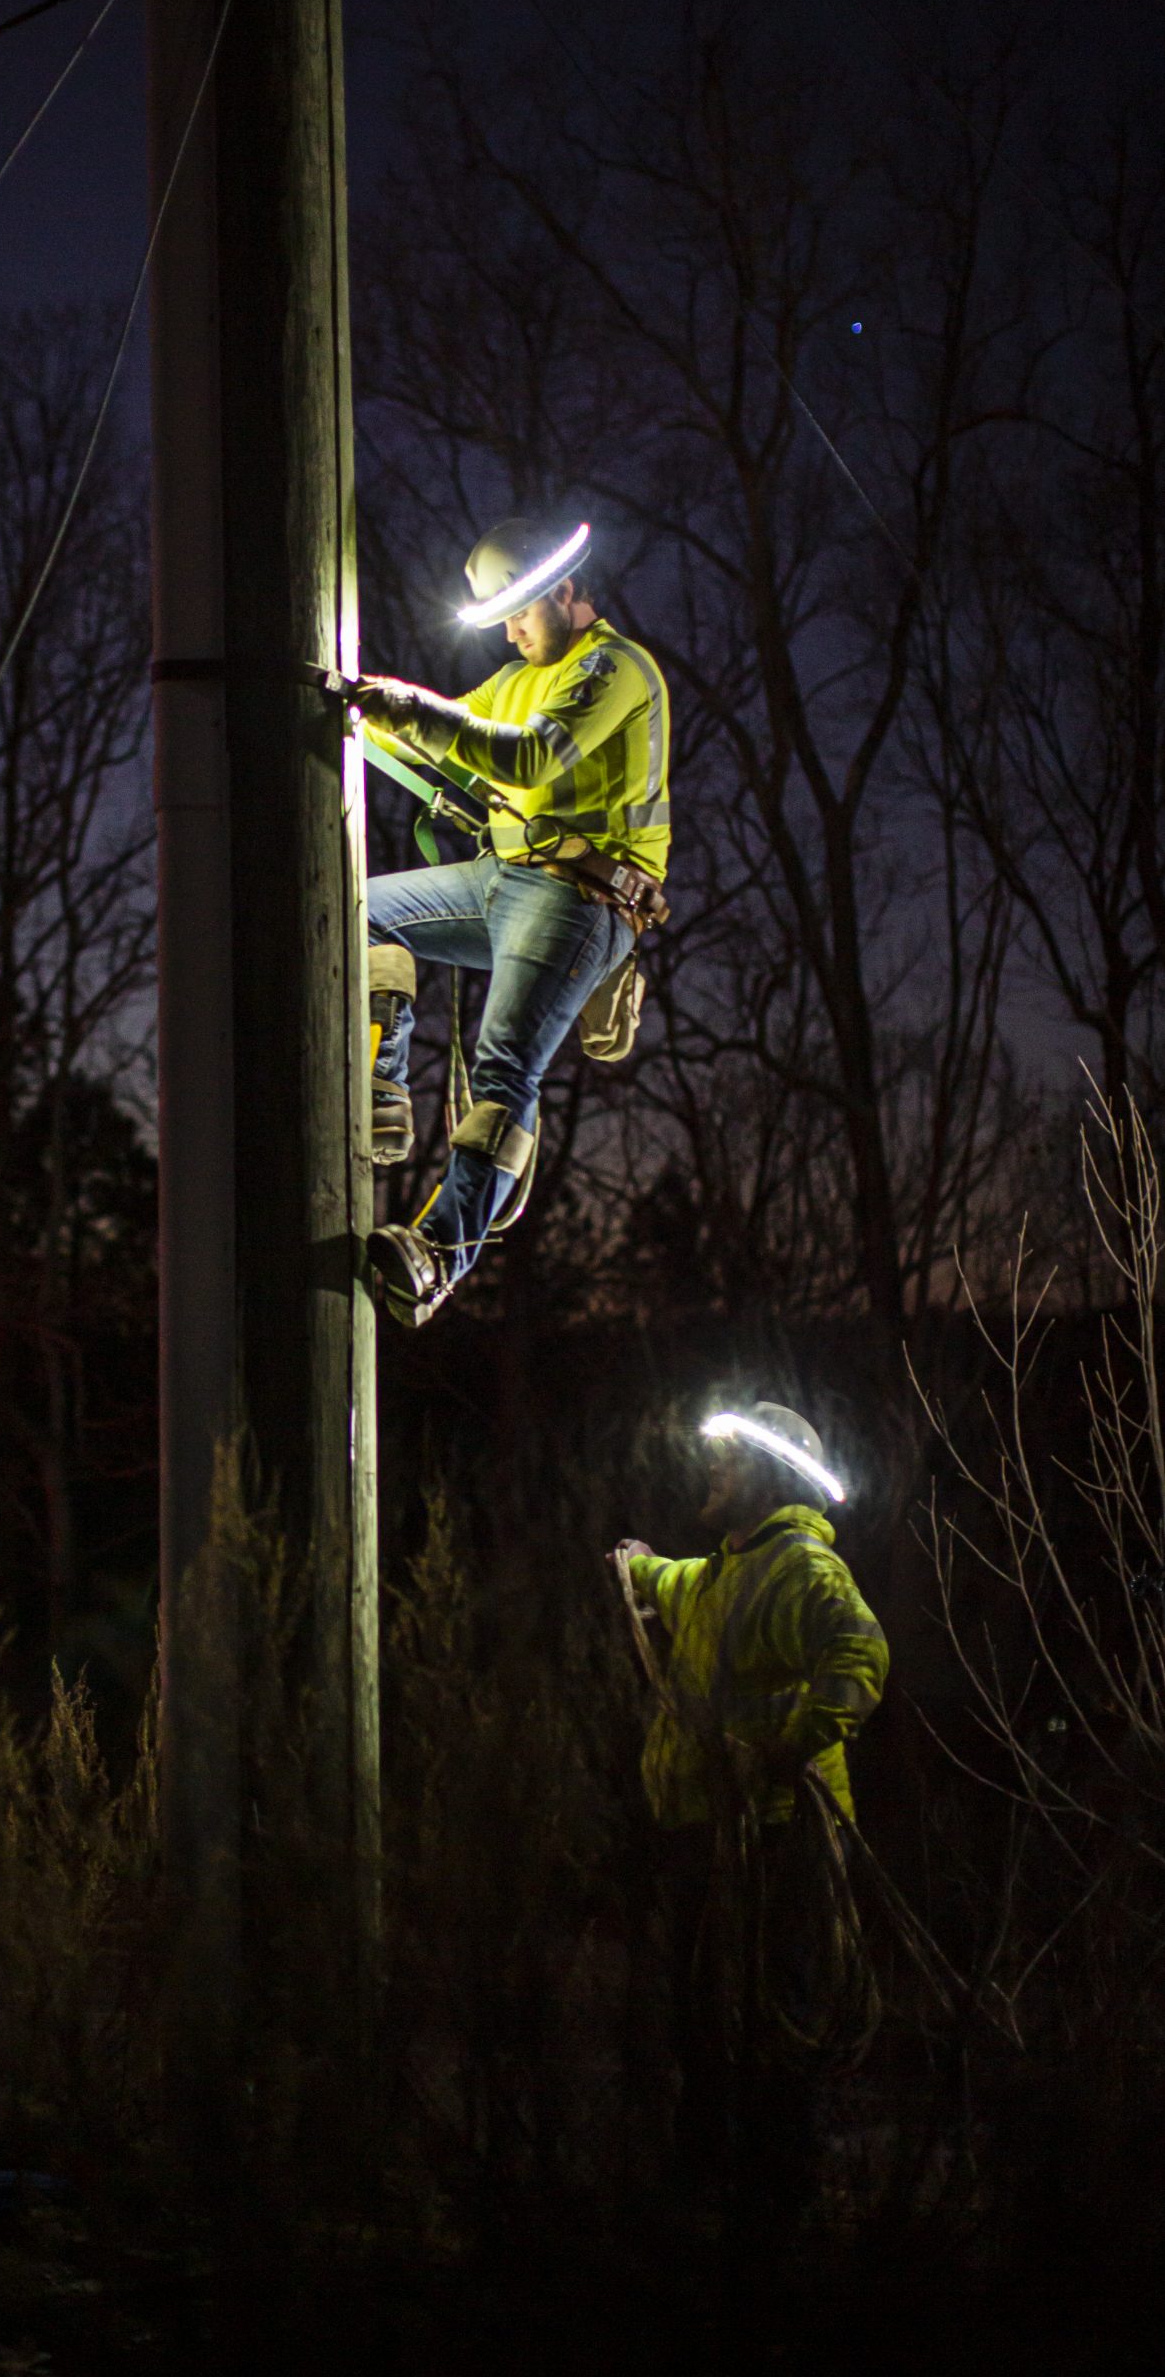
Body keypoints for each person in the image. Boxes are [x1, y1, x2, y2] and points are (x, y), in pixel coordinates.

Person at [349, 515, 670, 1328]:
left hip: (580, 896)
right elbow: (451, 736)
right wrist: (359, 709)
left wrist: (409, 710)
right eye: (502, 617)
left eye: (523, 611)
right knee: (357, 916)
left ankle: (436, 1258)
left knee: (504, 1068)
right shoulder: (513, 677)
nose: (513, 629)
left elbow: (526, 757)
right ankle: (382, 1086)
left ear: (566, 590)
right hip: (500, 877)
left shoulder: (613, 670)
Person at [611, 1402, 890, 2214]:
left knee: (775, 2026)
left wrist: (789, 1745)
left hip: (775, 1839)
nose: (713, 1472)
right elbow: (671, 1579)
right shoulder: (721, 1574)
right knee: (703, 2022)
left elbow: (859, 1653)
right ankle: (710, 2195)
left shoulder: (801, 1570)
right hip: (710, 1837)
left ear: (768, 1477)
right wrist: (638, 1566)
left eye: (729, 1462)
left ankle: (779, 2206)